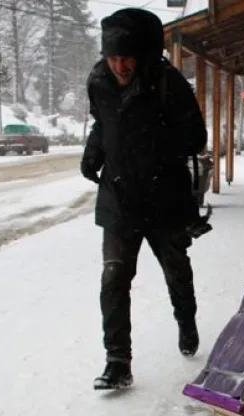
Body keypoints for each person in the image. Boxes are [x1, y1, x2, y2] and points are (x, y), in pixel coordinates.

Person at [80, 7, 208, 390]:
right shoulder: (99, 80)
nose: (119, 65)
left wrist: (153, 144)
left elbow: (196, 138)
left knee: (175, 269)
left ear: (145, 55)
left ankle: (186, 321)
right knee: (114, 278)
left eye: (127, 57)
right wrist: (93, 153)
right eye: (113, 56)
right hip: (119, 197)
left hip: (163, 198)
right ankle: (117, 361)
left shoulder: (169, 83)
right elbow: (104, 124)